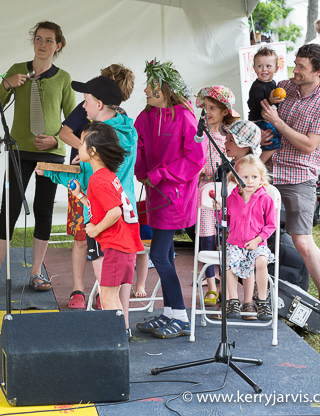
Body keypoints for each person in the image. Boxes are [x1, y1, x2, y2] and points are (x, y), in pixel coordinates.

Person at [0, 21, 75, 296]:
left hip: (51, 154)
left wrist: (57, 139)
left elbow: (75, 122)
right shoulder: (16, 70)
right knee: (9, 211)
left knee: (44, 210)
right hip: (18, 152)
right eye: (38, 39)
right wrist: (6, 83)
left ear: (58, 46)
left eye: (49, 40)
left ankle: (36, 273)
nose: (42, 44)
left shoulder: (63, 78)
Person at [259, 43, 320, 308]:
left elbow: (308, 145)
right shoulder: (284, 86)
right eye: (295, 64)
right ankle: (248, 293)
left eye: (301, 67)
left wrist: (279, 123)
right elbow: (266, 117)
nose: (295, 70)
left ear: (318, 71)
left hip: (299, 176)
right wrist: (265, 128)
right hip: (267, 171)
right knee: (251, 233)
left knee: (302, 241)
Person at [133, 59, 205, 339]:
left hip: (175, 194)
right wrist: (142, 172)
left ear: (164, 89)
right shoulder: (145, 116)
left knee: (159, 255)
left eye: (151, 86)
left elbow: (194, 159)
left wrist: (160, 173)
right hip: (156, 192)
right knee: (166, 255)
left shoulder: (184, 117)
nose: (146, 92)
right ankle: (170, 312)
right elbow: (137, 146)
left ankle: (182, 317)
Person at [56, 64, 136, 310]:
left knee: (109, 293)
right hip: (118, 215)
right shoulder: (123, 129)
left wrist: (87, 158)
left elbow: (102, 181)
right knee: (113, 291)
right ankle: (121, 331)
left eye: (86, 101)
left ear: (99, 103)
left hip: (109, 220)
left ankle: (117, 335)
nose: (83, 106)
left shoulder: (109, 139)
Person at [69, 122, 143, 340]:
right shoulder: (107, 176)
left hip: (116, 247)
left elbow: (114, 213)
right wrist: (81, 196)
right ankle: (120, 336)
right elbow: (101, 208)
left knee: (108, 296)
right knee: (112, 297)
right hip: (125, 247)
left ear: (92, 151)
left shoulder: (99, 180)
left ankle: (115, 342)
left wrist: (94, 230)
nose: (78, 146)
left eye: (82, 142)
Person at [194, 86, 240, 307]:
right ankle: (211, 286)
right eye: (206, 108)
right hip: (203, 192)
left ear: (224, 111)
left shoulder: (228, 136)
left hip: (226, 192)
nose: (208, 112)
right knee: (206, 238)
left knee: (226, 238)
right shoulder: (198, 134)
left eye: (213, 108)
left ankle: (226, 287)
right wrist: (198, 170)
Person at [223, 155, 276, 322]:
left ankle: (261, 300)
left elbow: (271, 225)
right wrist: (221, 211)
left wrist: (258, 240)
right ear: (237, 179)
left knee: (260, 261)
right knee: (229, 262)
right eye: (245, 177)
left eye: (254, 177)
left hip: (256, 243)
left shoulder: (265, 198)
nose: (250, 181)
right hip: (235, 243)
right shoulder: (231, 198)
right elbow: (226, 222)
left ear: (261, 178)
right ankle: (232, 300)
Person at [247, 47, 284, 161]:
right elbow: (257, 106)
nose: (264, 70)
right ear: (254, 68)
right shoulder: (256, 86)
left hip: (268, 119)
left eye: (268, 66)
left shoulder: (273, 83)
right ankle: (259, 164)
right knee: (274, 141)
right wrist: (271, 101)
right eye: (260, 66)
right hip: (259, 120)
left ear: (276, 68)